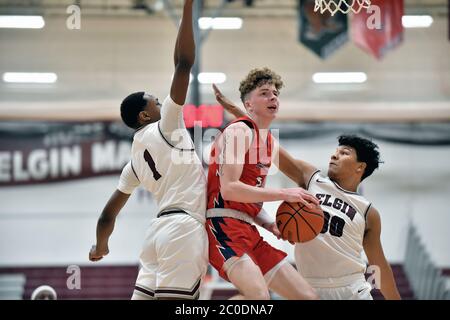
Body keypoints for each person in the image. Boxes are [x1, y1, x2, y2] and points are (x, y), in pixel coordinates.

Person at [213, 85, 401, 300]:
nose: (334, 156)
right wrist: (240, 113)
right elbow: (269, 145)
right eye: (335, 151)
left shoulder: (368, 212)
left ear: (360, 167)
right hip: (309, 288)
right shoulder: (312, 178)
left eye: (344, 153)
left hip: (352, 289)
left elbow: (379, 266)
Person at [89, 0, 208, 300]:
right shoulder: (167, 124)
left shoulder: (133, 163)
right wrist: (187, 7)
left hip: (156, 234)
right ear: (145, 115)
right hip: (183, 230)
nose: (161, 101)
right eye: (155, 100)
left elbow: (107, 215)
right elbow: (183, 64)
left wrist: (100, 246)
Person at [205, 68, 319, 300]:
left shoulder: (268, 142)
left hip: (249, 230)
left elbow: (253, 200)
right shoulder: (239, 131)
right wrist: (284, 193)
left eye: (275, 93)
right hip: (221, 226)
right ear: (249, 105)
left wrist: (271, 226)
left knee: (308, 297)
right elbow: (230, 189)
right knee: (258, 297)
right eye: (264, 93)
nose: (273, 97)